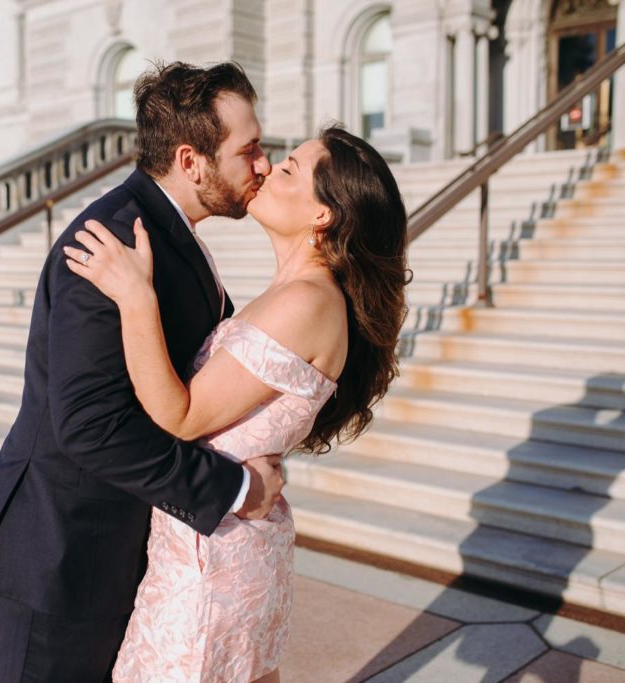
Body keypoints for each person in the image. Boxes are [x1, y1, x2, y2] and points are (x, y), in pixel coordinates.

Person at [0, 61, 286, 682]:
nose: (263, 165)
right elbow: (90, 426)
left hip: (114, 550)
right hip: (64, 556)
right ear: (192, 162)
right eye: (248, 150)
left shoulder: (168, 230)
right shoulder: (110, 241)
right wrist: (234, 490)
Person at [63, 124, 410, 682]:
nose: (270, 168)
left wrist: (134, 297)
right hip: (215, 549)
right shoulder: (293, 293)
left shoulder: (307, 300)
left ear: (324, 215)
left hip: (213, 570)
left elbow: (181, 414)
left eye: (291, 169)